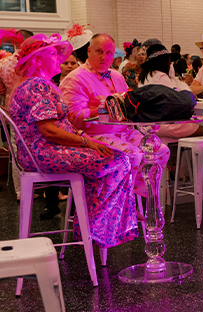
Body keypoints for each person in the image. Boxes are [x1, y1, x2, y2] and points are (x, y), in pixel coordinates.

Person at [10, 33, 138, 246]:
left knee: (114, 157)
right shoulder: (35, 86)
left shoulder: (41, 84)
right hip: (42, 152)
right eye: (53, 53)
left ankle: (94, 224)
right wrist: (87, 142)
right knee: (118, 160)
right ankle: (95, 227)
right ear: (38, 60)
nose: (59, 57)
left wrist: (86, 139)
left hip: (50, 148)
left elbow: (62, 126)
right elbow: (49, 131)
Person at [61, 33, 170, 198]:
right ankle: (122, 203)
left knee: (160, 150)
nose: (104, 57)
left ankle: (132, 197)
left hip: (123, 132)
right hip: (94, 136)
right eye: (99, 51)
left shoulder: (117, 76)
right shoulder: (75, 79)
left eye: (109, 53)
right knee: (133, 155)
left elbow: (127, 107)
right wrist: (103, 108)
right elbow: (73, 119)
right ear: (89, 51)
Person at [139, 44, 203, 138]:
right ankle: (181, 152)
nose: (170, 64)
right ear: (162, 62)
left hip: (145, 124)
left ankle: (175, 151)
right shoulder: (161, 76)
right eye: (169, 61)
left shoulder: (143, 77)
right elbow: (174, 102)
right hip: (163, 124)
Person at [0, 28, 34, 202]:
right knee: (34, 147)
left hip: (10, 110)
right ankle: (40, 185)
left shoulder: (3, 63)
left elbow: (1, 89)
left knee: (16, 149)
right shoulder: (31, 61)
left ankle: (21, 191)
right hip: (31, 109)